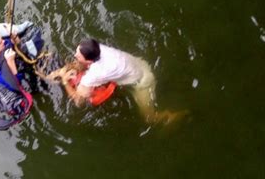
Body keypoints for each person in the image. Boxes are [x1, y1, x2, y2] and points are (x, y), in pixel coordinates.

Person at [60, 38, 188, 124]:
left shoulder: (94, 74)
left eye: (78, 55)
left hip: (142, 83)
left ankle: (172, 116)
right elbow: (84, 64)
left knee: (149, 118)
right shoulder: (99, 48)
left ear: (89, 61)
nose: (75, 55)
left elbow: (78, 101)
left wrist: (65, 81)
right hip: (141, 65)